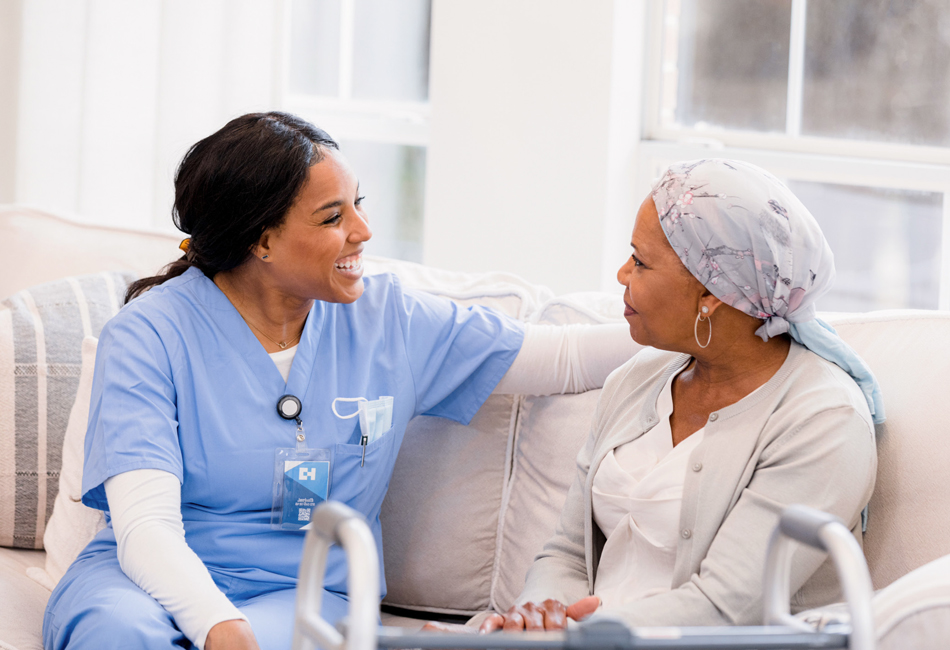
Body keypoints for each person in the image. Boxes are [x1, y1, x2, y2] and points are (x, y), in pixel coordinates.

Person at [42, 112, 639, 650]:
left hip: (303, 592)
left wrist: (694, 313)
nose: (364, 230)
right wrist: (220, 628)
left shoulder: (391, 322)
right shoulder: (148, 334)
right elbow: (145, 528)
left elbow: (564, 358)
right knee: (114, 634)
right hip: (141, 581)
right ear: (263, 240)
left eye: (359, 204)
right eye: (334, 216)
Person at [480, 158, 883, 632]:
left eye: (640, 261)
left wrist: (574, 638)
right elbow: (567, 554)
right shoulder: (635, 380)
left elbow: (726, 607)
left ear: (711, 293)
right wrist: (535, 617)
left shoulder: (824, 420)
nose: (621, 274)